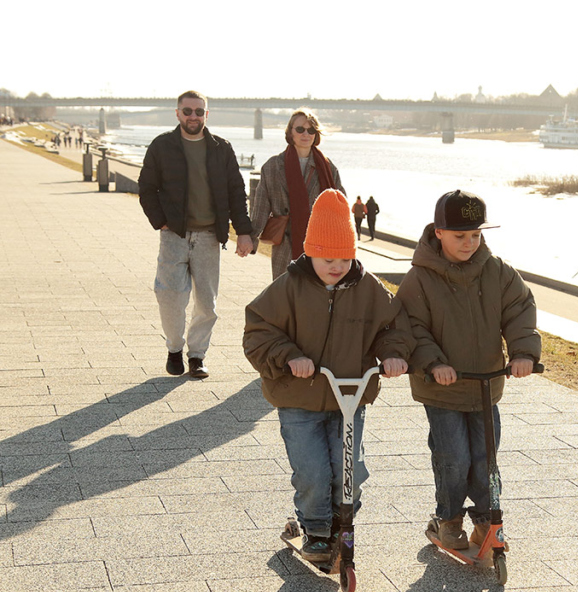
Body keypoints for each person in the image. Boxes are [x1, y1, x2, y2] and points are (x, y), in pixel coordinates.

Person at [243, 189, 414, 561]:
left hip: (348, 398)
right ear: (310, 252)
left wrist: (393, 355)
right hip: (298, 398)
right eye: (327, 258)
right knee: (313, 471)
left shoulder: (368, 288)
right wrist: (289, 356)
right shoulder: (289, 287)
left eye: (344, 258)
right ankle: (317, 528)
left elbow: (393, 327)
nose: (336, 266)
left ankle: (342, 521)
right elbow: (258, 332)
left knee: (350, 467)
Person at [396, 189, 541, 550]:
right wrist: (434, 363)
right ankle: (448, 517)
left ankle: (485, 521)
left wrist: (522, 353)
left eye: (475, 235)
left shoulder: (498, 271)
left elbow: (520, 310)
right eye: (460, 236)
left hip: (485, 385)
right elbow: (412, 326)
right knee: (454, 458)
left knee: (485, 457)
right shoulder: (420, 278)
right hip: (442, 387)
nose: (469, 243)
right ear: (439, 232)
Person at [139, 90, 254, 379]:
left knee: (206, 302)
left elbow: (236, 192)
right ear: (177, 113)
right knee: (170, 295)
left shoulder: (220, 148)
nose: (193, 116)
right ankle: (174, 349)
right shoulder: (162, 146)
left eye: (199, 111)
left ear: (206, 115)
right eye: (187, 111)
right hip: (173, 235)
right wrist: (161, 222)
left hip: (208, 237)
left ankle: (197, 356)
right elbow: (146, 187)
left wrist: (244, 232)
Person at [250, 108, 344, 280]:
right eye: (300, 129)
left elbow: (340, 209)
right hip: (285, 244)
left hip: (320, 245)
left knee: (316, 297)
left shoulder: (328, 168)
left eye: (311, 130)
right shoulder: (272, 166)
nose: (305, 134)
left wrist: (345, 245)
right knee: (284, 295)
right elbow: (261, 207)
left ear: (316, 134)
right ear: (290, 133)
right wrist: (250, 239)